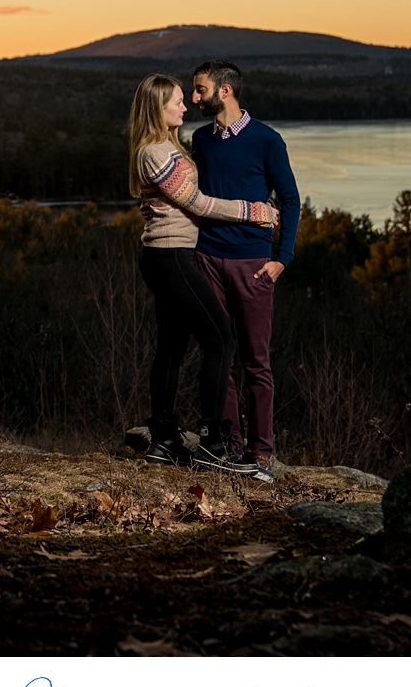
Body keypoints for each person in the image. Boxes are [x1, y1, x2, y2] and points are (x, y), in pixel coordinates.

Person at [128, 73, 277, 476]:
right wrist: (253, 210)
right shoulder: (153, 153)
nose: (185, 105)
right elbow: (198, 203)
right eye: (177, 101)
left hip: (172, 255)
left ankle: (164, 439)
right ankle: (215, 443)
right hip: (171, 256)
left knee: (172, 348)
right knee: (221, 340)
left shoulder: (168, 146)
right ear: (158, 108)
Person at [187, 60, 301, 475]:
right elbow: (190, 194)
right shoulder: (201, 140)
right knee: (218, 356)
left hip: (254, 265)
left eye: (200, 90)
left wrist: (281, 260)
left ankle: (262, 455)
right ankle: (231, 448)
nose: (194, 98)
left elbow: (290, 200)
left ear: (226, 91)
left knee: (256, 360)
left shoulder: (267, 140)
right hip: (208, 261)